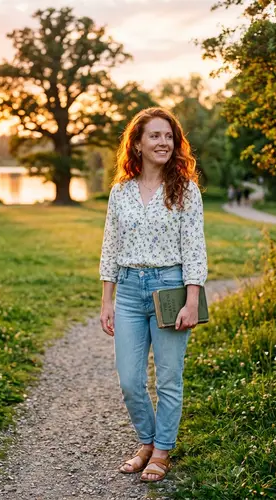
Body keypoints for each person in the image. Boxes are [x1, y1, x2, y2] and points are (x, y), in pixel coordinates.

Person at [99, 107, 208, 483]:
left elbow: (195, 249)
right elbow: (110, 246)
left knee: (168, 379)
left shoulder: (186, 190)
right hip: (128, 290)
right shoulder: (121, 192)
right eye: (155, 136)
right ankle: (147, 441)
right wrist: (107, 299)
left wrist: (192, 300)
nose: (163, 142)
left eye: (169, 136)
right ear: (138, 144)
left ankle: (161, 452)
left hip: (171, 288)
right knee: (130, 380)